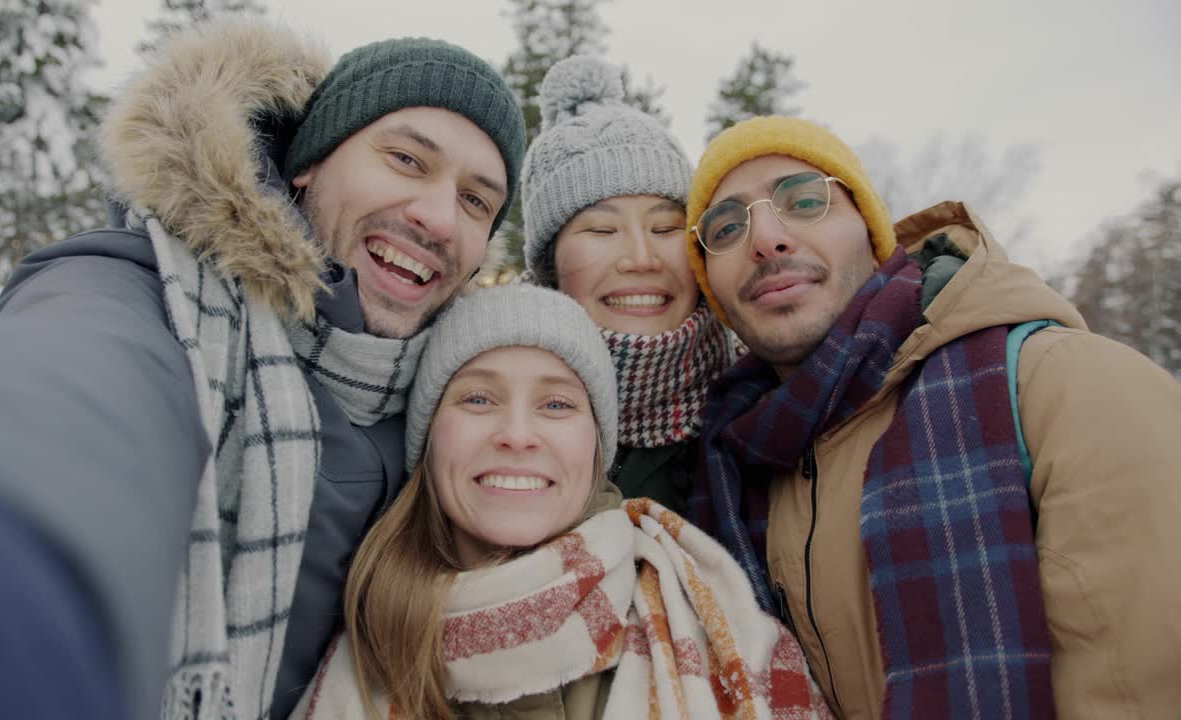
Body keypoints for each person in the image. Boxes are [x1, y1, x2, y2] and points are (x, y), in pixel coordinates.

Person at [0, 20, 525, 720]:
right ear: (309, 162)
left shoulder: (457, 395)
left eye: (476, 200)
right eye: (407, 160)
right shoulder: (143, 295)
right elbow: (64, 405)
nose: (439, 218)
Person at [684, 115, 1181, 719]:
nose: (766, 238)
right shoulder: (737, 472)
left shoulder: (1067, 386)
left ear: (872, 237)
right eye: (726, 226)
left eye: (806, 199)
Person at [288, 284, 831, 720]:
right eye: (478, 398)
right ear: (428, 438)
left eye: (556, 403)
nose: (517, 435)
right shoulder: (359, 646)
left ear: (597, 446)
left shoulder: (731, 634)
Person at [520, 56, 735, 514]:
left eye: (665, 229)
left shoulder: (759, 406)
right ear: (549, 266)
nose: (641, 258)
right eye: (601, 231)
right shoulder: (495, 416)